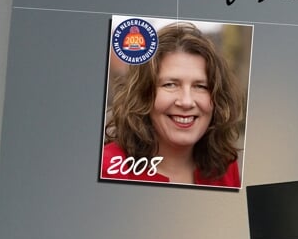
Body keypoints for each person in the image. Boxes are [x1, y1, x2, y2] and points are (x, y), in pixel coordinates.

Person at [101, 22, 244, 188]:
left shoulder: (225, 167)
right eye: (170, 84)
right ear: (143, 94)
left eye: (200, 86)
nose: (186, 102)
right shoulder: (109, 168)